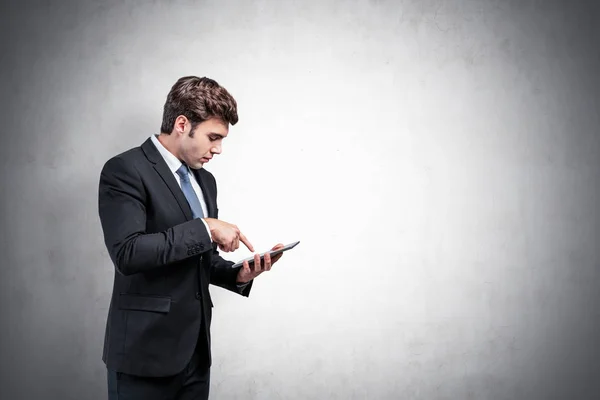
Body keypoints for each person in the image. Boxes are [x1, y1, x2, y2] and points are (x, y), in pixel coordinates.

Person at [97, 76, 285, 399]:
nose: (219, 149)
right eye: (214, 137)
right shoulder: (124, 171)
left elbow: (200, 259)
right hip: (143, 358)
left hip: (196, 359)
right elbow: (128, 253)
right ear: (182, 124)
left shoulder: (206, 182)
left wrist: (237, 273)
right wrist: (206, 227)